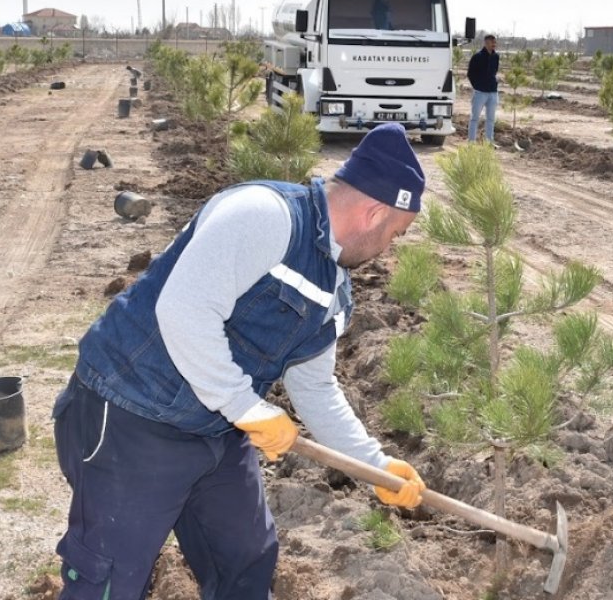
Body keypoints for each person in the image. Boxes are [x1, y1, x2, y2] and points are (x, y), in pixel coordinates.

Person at [52, 123, 429, 599]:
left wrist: (374, 466)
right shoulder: (263, 215)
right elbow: (184, 311)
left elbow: (315, 389)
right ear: (375, 213)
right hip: (130, 414)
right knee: (111, 580)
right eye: (395, 234)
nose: (388, 249)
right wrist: (247, 408)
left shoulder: (334, 289)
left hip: (214, 430)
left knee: (246, 559)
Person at [467, 35, 500, 142]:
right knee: (474, 118)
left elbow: (494, 72)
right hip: (480, 92)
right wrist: (476, 86)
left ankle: (489, 142)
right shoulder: (477, 56)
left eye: (495, 42)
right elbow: (470, 73)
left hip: (493, 93)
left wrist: (495, 81)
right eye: (492, 42)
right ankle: (471, 142)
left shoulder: (496, 56)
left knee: (490, 119)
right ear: (486, 43)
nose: (494, 44)